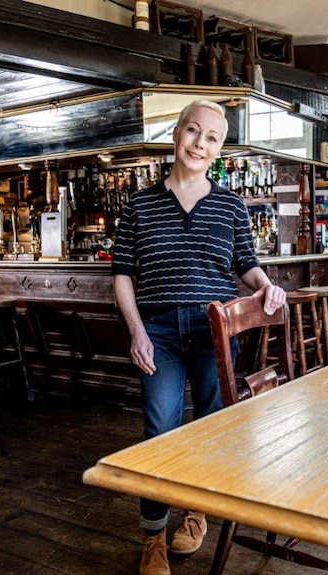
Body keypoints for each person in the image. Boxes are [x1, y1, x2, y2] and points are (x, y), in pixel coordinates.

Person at [111, 99, 286, 575]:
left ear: (219, 150)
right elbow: (123, 274)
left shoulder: (231, 204)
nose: (199, 143)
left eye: (211, 138)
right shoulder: (140, 203)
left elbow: (245, 264)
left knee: (211, 428)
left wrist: (267, 285)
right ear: (177, 134)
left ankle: (196, 512)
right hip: (159, 333)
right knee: (159, 430)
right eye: (193, 132)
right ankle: (153, 538)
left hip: (215, 330)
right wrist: (137, 332)